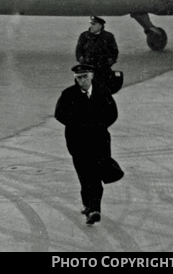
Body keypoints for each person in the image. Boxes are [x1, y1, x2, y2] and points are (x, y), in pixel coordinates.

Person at [55, 63, 119, 225]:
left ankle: (95, 208)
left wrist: (99, 125)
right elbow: (59, 114)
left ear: (91, 76)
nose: (82, 81)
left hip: (99, 141)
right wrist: (76, 125)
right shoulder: (68, 94)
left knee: (95, 175)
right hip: (78, 142)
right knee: (84, 175)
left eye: (85, 77)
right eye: (79, 78)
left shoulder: (102, 92)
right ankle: (88, 203)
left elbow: (112, 113)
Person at [76, 16, 118, 91]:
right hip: (88, 66)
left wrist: (110, 61)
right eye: (91, 24)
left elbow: (114, 51)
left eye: (94, 24)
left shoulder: (108, 36)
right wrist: (81, 59)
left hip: (103, 67)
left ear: (100, 26)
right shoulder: (84, 36)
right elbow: (79, 49)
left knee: (102, 88)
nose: (91, 26)